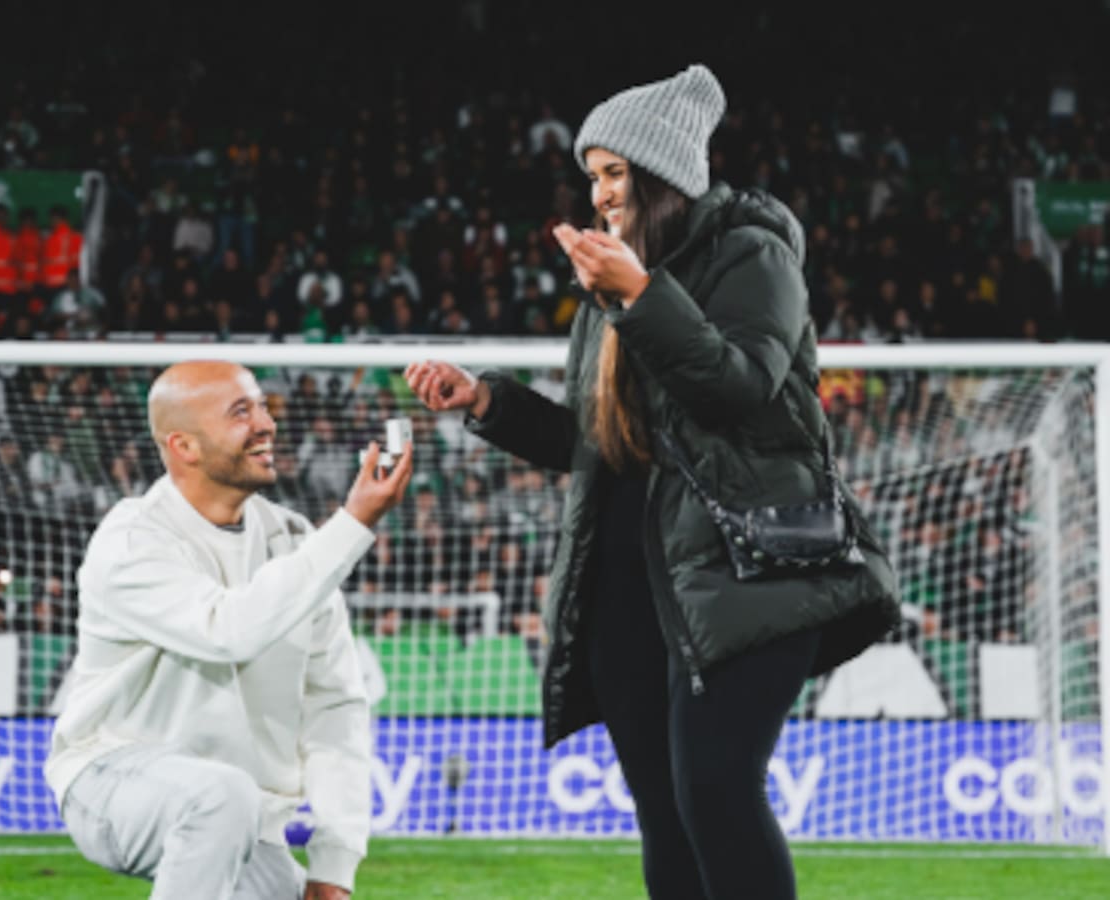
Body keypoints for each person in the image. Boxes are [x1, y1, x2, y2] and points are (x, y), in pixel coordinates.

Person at [405, 64, 899, 900]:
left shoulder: (753, 254)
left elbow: (738, 387)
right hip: (632, 580)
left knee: (715, 786)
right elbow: (599, 444)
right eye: (591, 177)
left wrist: (639, 295)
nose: (597, 194)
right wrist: (488, 400)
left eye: (612, 173)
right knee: (665, 809)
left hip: (745, 569)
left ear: (661, 173)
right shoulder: (613, 282)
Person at [45, 360, 413, 900]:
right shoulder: (132, 540)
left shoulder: (294, 540)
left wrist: (335, 864)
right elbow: (227, 631)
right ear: (184, 446)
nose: (266, 424)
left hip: (241, 814)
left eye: (263, 406)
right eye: (241, 412)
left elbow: (334, 705)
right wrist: (353, 523)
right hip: (110, 777)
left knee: (230, 807)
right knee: (219, 795)